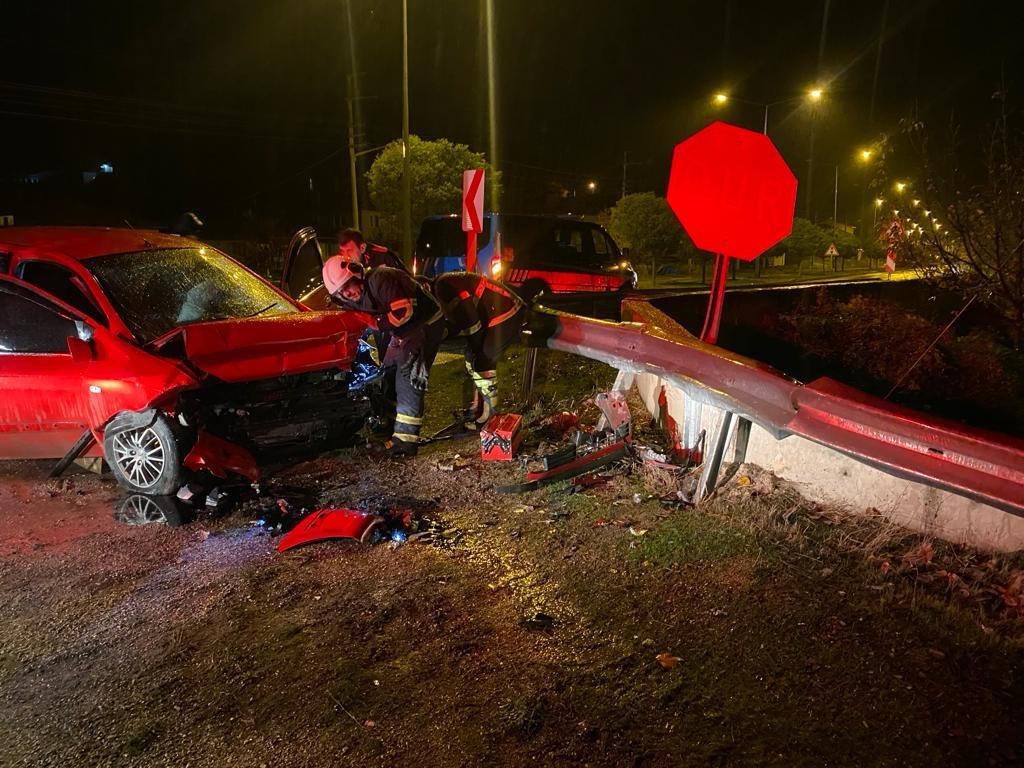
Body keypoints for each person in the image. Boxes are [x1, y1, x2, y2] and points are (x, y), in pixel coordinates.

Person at [322, 258, 524, 456]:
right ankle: (388, 423)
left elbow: (404, 311)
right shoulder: (353, 299)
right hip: (402, 330)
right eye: (342, 292)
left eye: (348, 285)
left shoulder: (381, 280)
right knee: (388, 368)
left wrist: (377, 323)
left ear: (356, 274)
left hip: (425, 325)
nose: (348, 293)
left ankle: (405, 440)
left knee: (408, 375)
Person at [335, 228, 408, 272]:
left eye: (349, 251)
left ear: (362, 248)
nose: (345, 256)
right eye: (342, 252)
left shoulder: (383, 256)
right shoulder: (344, 264)